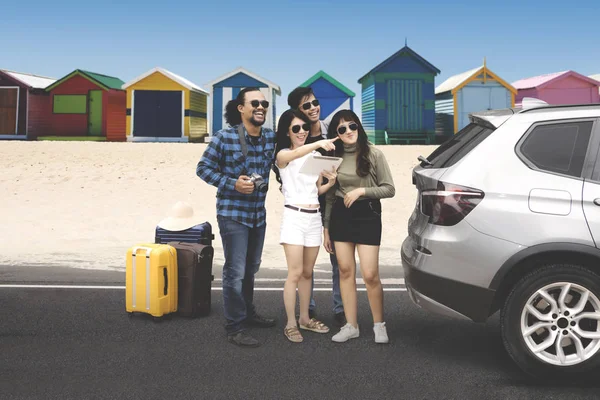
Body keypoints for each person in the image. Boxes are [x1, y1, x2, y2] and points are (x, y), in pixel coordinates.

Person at [196, 87, 277, 347]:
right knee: (235, 270)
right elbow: (203, 169)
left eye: (264, 103)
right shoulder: (224, 137)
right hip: (232, 214)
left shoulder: (270, 138)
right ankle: (235, 326)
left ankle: (247, 312)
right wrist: (232, 183)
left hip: (257, 215)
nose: (261, 107)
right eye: (254, 103)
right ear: (241, 108)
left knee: (251, 268)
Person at [323, 109, 396, 344]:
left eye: (352, 126)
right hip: (341, 217)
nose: (348, 132)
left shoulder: (374, 153)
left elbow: (389, 188)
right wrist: (326, 228)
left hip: (367, 215)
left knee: (370, 274)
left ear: (358, 127)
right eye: (341, 129)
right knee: (345, 271)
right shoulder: (333, 158)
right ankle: (351, 325)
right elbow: (331, 196)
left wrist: (362, 191)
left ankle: (379, 325)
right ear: (337, 134)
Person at [273, 109, 339, 343]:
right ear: (287, 132)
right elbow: (295, 154)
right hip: (294, 217)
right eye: (296, 128)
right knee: (295, 273)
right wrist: (318, 143)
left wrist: (329, 183)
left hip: (313, 217)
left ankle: (304, 319)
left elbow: (315, 190)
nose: (301, 132)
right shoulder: (283, 155)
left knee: (308, 273)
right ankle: (290, 323)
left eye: (304, 127)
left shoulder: (313, 157)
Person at [287, 86, 346, 327]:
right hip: (306, 204)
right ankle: (306, 309)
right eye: (306, 106)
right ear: (296, 111)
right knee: (303, 265)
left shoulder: (331, 130)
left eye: (315, 103)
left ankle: (341, 308)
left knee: (339, 260)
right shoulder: (296, 134)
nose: (313, 108)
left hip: (334, 199)